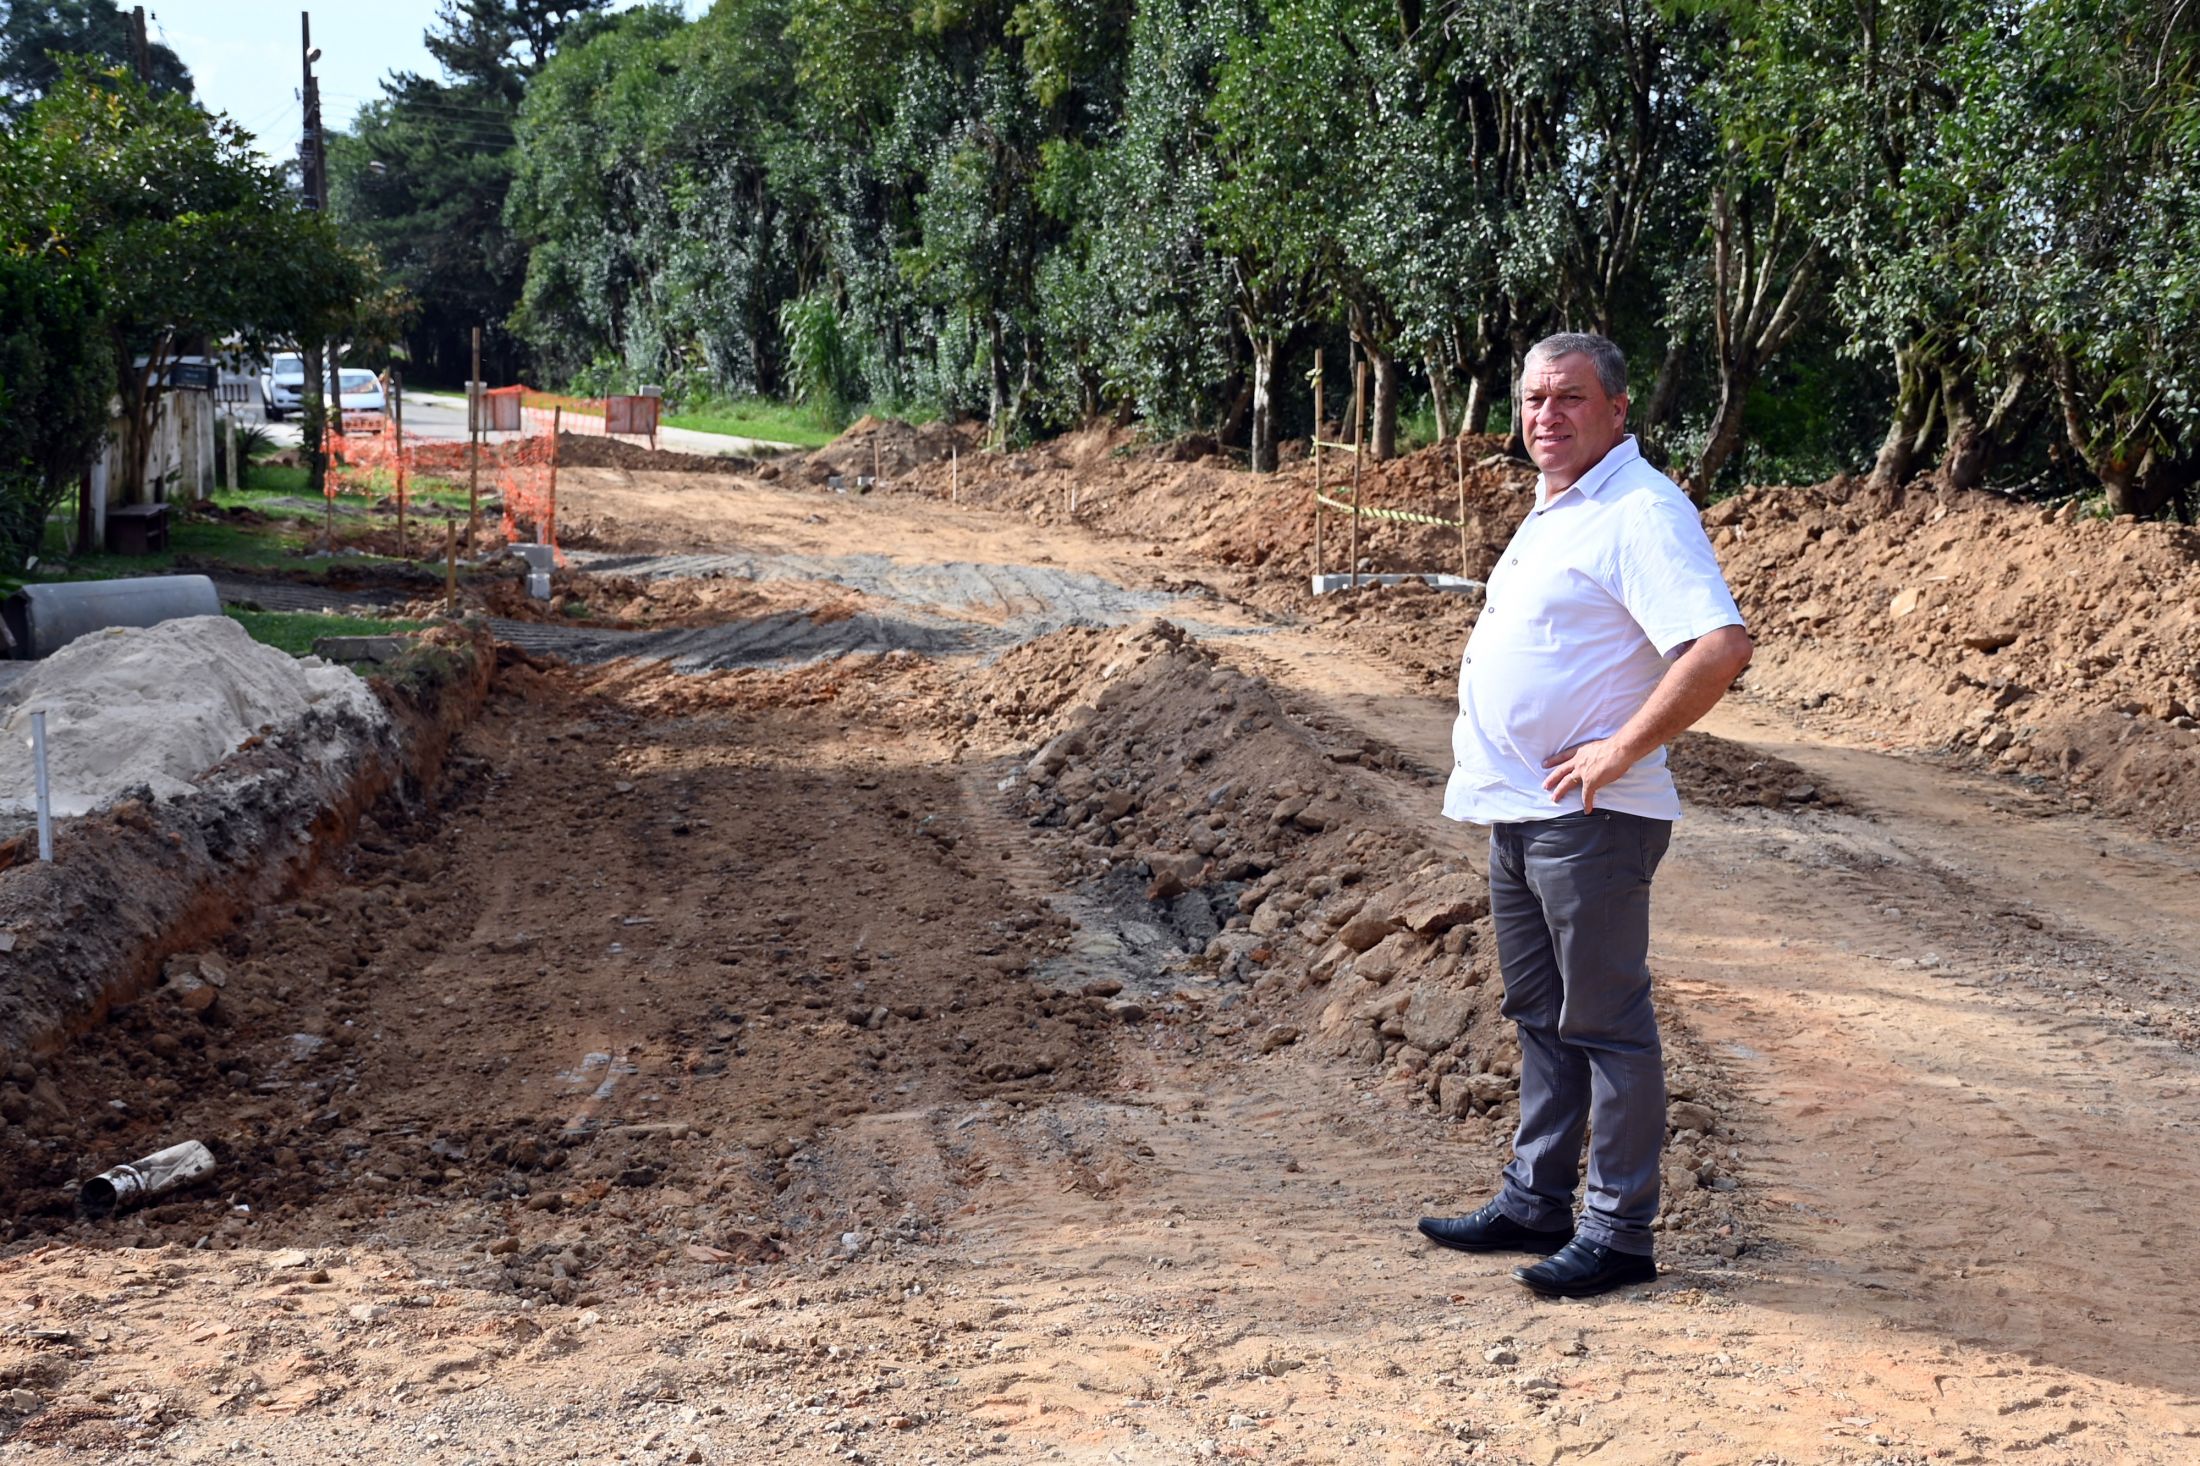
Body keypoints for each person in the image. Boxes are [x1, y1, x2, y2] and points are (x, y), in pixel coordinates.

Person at [1417, 332, 1753, 1299]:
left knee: (1604, 1022)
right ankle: (1536, 1198)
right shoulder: (1556, 507)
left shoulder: (1641, 512)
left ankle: (1618, 1232)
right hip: (1519, 811)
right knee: (1541, 1015)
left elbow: (1718, 646)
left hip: (1592, 815)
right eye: (1532, 398)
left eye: (1568, 398)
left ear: (1617, 409)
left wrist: (1620, 749)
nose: (1544, 416)